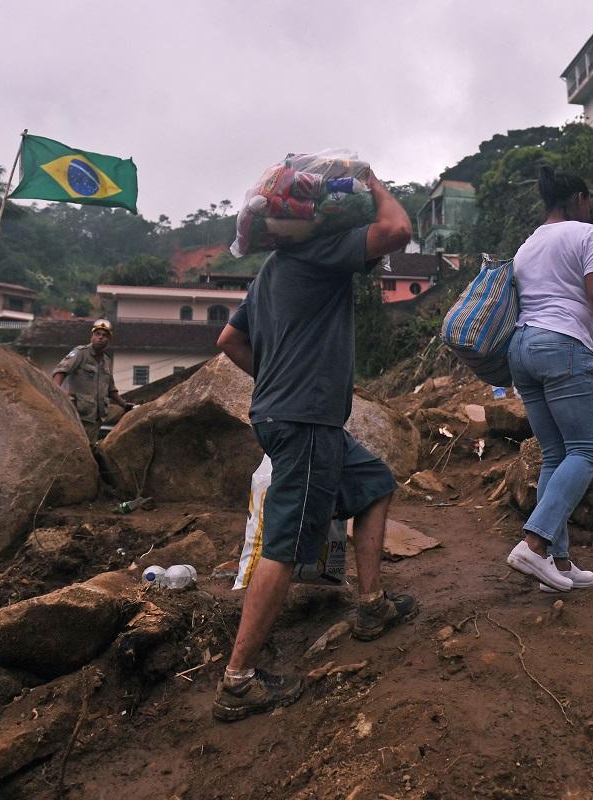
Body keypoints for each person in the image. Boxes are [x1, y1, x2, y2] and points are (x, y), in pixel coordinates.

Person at [212, 174, 416, 722]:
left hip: (302, 419)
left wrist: (274, 380)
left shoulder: (269, 274)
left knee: (373, 484)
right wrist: (371, 180)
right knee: (284, 545)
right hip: (304, 423)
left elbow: (229, 341)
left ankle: (371, 607)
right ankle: (238, 682)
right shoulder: (319, 253)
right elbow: (397, 229)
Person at [505, 168, 593, 594]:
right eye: (588, 199)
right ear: (579, 198)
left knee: (555, 455)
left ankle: (557, 562)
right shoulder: (588, 234)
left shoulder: (528, 244)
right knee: (585, 450)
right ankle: (533, 544)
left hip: (522, 349)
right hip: (563, 344)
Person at [52, 319, 132, 442]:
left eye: (104, 335)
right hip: (80, 414)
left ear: (109, 340)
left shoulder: (106, 361)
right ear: (92, 336)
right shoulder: (80, 353)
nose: (100, 338)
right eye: (97, 334)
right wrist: (59, 393)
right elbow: (60, 372)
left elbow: (111, 389)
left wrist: (124, 404)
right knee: (78, 446)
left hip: (97, 416)